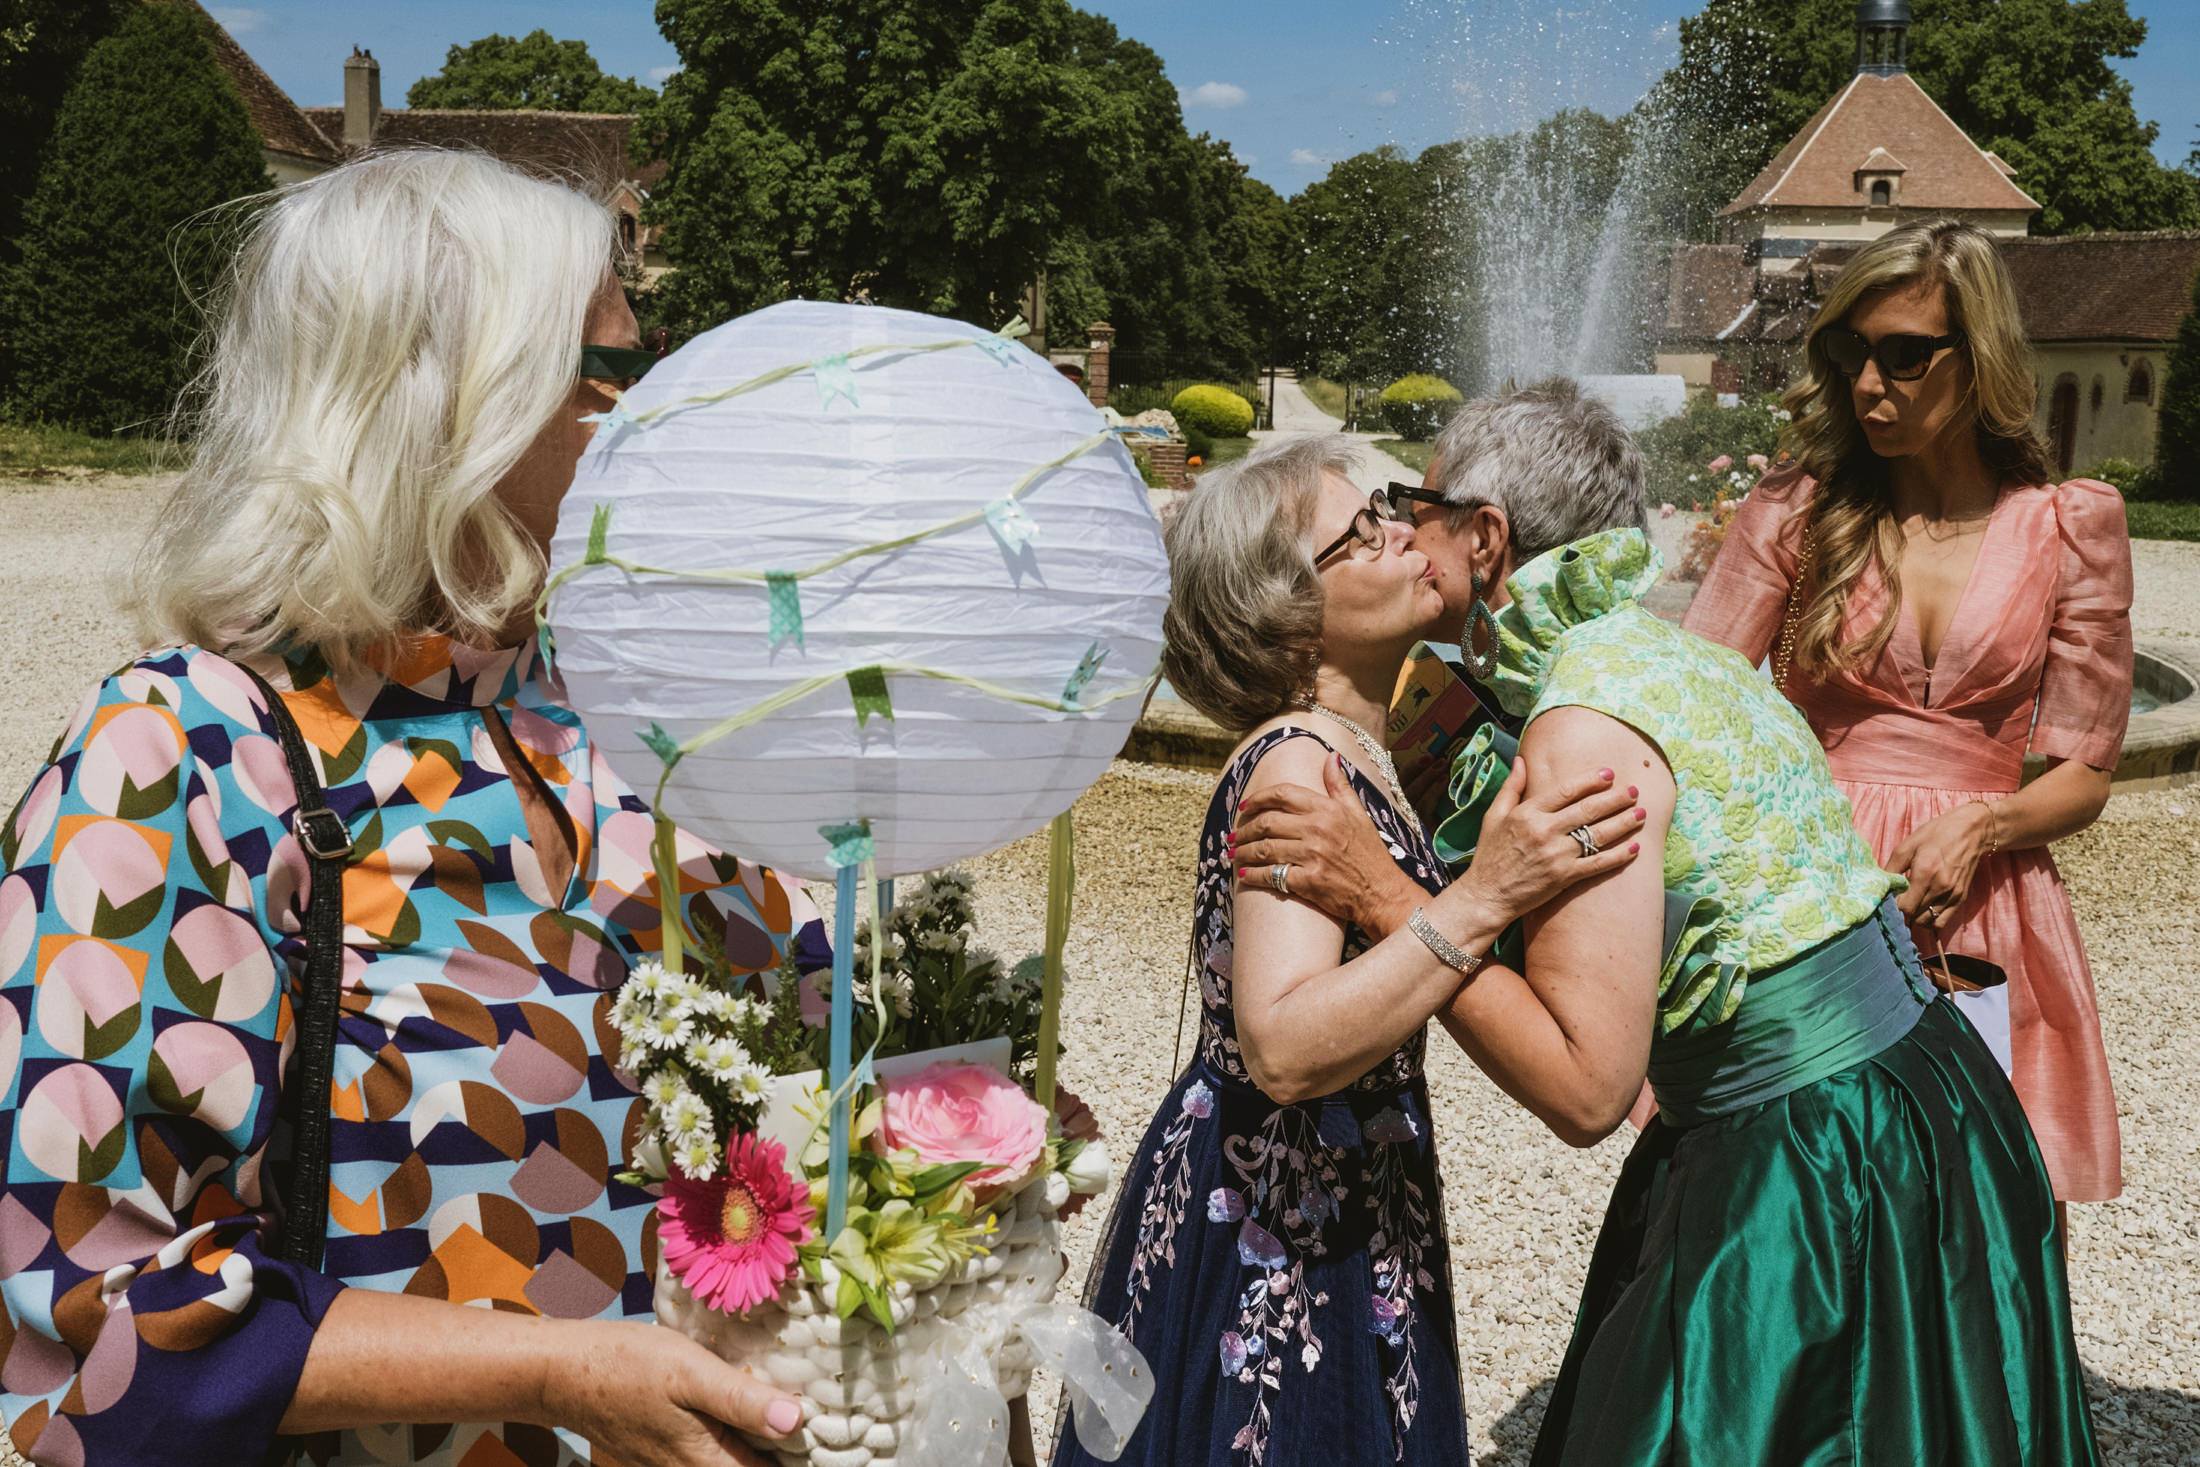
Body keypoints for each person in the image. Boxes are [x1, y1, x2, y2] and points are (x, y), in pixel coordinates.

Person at [0, 150, 818, 1466]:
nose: (643, 424)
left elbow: (806, 1071)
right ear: (453, 411)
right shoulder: (184, 755)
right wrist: (557, 1371)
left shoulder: (630, 723)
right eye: (603, 377)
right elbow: (79, 1321)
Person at [1233, 381, 2099, 1465]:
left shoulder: (1584, 724)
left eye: (1416, 501)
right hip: (1929, 1108)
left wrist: (1393, 900)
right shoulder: (1667, 653)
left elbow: (1588, 1089)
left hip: (1809, 1157)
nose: (1399, 528)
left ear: (1487, 536)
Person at [1058, 436, 1646, 1466]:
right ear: (1283, 609)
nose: (1401, 533)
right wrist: (1484, 896)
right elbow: (1282, 1046)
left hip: (1327, 1191)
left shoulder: (1350, 752)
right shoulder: (1297, 767)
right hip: (1281, 1223)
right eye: (1362, 529)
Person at [1683, 218, 2130, 1209]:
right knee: (1799, 1185)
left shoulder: (2068, 528)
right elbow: (1695, 704)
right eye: (1850, 354)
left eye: (1903, 356)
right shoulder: (1798, 509)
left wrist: (1987, 821)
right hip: (1810, 886)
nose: (1867, 385)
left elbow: (2085, 772)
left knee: (1972, 1192)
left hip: (1985, 898)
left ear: (1978, 363)